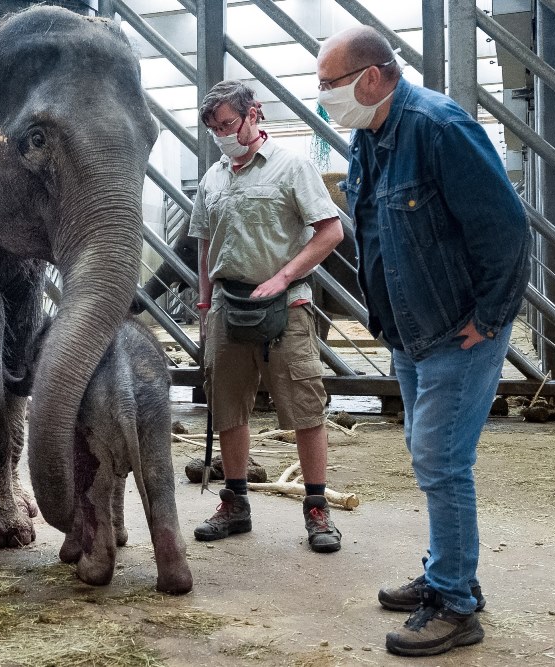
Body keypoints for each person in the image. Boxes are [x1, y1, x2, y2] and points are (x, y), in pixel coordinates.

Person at [316, 26, 531, 658]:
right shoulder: (369, 135)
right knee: (428, 452)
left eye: (331, 83)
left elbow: (507, 228)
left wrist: (490, 316)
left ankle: (456, 604)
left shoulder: (438, 127)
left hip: (456, 330)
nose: (324, 95)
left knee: (441, 461)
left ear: (374, 77)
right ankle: (450, 570)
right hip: (409, 330)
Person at [188, 80, 344, 554]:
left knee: (303, 405)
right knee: (228, 405)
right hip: (227, 308)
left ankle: (317, 510)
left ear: (254, 114)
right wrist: (204, 300)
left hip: (285, 305)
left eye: (229, 124)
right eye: (214, 129)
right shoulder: (212, 179)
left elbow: (330, 231)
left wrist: (281, 278)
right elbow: (205, 245)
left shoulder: (292, 166)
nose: (222, 135)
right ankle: (234, 503)